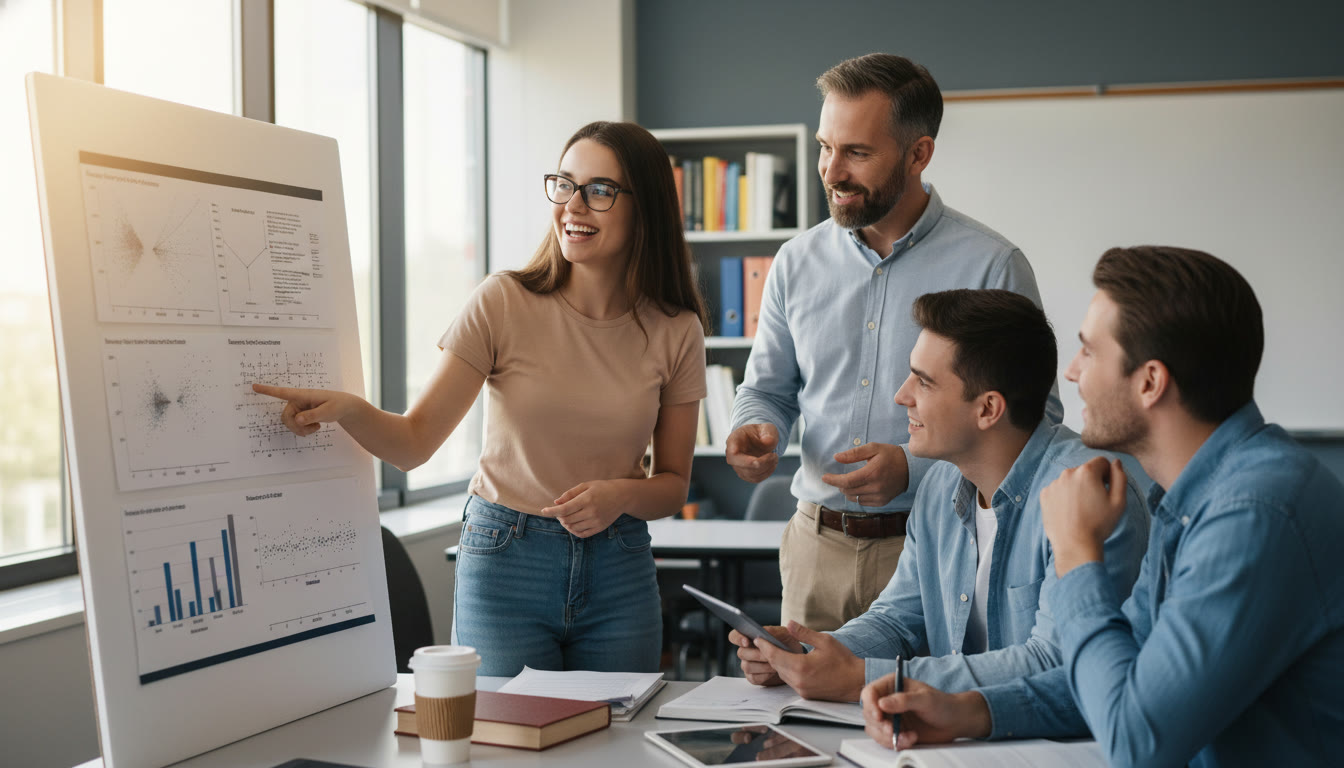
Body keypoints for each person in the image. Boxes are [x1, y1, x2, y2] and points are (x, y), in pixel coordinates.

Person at [254, 121, 709, 676]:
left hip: (620, 568)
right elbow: (413, 444)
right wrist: (349, 409)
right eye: (564, 185)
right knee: (505, 746)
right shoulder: (502, 302)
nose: (573, 206)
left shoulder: (675, 329)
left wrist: (618, 495)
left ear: (646, 208)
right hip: (505, 561)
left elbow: (672, 485)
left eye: (599, 190)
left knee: (615, 744)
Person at [862, 247, 1344, 767]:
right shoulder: (1190, 498)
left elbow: (1139, 739)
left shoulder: (1256, 513)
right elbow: (1115, 677)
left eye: (1089, 353)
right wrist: (970, 711)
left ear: (1150, 382)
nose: (1070, 374)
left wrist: (1076, 555)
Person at [725, 53, 1060, 631]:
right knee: (797, 715)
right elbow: (767, 390)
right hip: (814, 548)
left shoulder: (992, 266)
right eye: (825, 147)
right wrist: (757, 429)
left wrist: (914, 469)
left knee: (923, 715)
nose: (831, 171)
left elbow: (1037, 427)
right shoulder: (794, 262)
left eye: (856, 153)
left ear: (918, 154)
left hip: (939, 547)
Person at [730, 290, 1147, 703]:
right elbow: (899, 620)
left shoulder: (1090, 493)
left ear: (987, 409)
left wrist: (866, 677)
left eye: (924, 382)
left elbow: (1054, 663)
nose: (901, 395)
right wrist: (806, 654)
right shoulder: (939, 486)